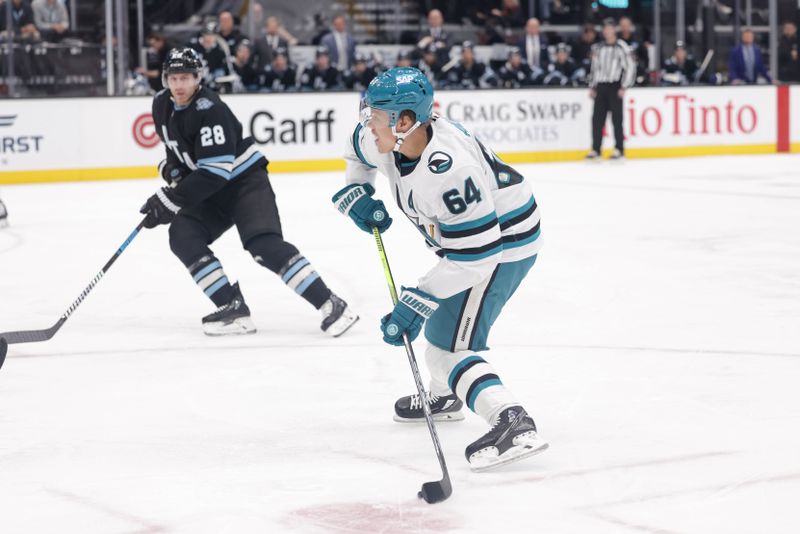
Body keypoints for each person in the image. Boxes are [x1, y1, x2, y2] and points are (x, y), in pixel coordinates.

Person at [332, 67, 548, 471]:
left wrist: (420, 299)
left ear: (405, 121)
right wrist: (357, 189)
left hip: (505, 244)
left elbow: (478, 257)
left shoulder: (450, 171)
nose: (367, 123)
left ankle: (511, 419)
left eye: (374, 115)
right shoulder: (389, 135)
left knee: (445, 349)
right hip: (469, 243)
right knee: (444, 333)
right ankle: (446, 396)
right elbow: (355, 150)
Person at [139, 47, 358, 337]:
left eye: (185, 78)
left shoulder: (210, 109)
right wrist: (172, 172)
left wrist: (170, 199)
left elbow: (215, 172)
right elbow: (177, 151)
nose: (179, 85)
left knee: (263, 246)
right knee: (183, 235)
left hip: (244, 183)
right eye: (173, 78)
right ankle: (232, 307)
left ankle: (331, 303)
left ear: (198, 78)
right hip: (210, 190)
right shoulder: (161, 105)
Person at [586, 18, 635, 160]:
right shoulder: (598, 48)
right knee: (597, 120)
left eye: (610, 28)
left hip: (615, 86)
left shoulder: (622, 47)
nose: (607, 31)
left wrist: (624, 86)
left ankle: (619, 148)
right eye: (605, 29)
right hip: (601, 86)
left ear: (614, 30)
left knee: (617, 120)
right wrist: (592, 85)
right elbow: (594, 68)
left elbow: (630, 67)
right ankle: (596, 149)